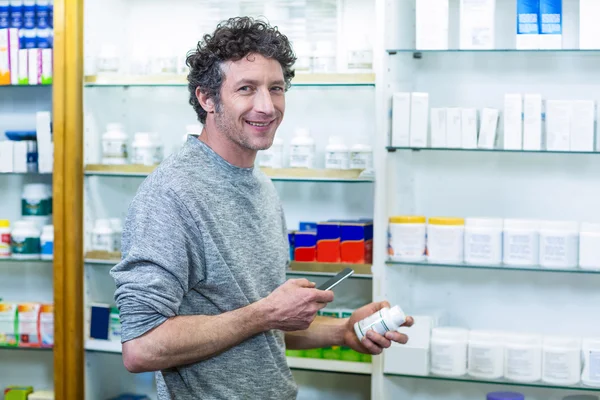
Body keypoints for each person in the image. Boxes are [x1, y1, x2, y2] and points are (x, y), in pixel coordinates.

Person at [110, 16, 413, 400]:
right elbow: (140, 347)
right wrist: (265, 313)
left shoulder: (260, 185)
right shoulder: (171, 195)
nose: (267, 106)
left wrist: (343, 332)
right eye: (246, 89)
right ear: (207, 99)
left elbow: (258, 327)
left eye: (276, 88)